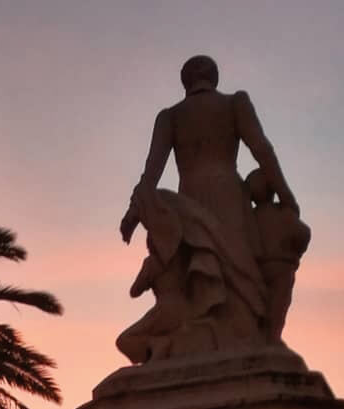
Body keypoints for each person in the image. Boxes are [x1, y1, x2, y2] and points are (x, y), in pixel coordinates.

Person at [117, 56, 303, 358]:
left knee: (200, 272)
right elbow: (262, 149)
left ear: (185, 81)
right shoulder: (234, 103)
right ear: (214, 77)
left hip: (189, 201)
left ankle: (208, 338)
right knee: (239, 272)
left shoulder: (170, 117)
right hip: (228, 196)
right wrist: (286, 195)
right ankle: (234, 338)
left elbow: (151, 172)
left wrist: (133, 213)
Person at [247, 168, 311, 344]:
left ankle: (264, 336)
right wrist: (295, 251)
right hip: (282, 267)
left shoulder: (250, 217)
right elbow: (303, 234)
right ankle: (272, 337)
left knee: (260, 302)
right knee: (278, 304)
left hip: (258, 267)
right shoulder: (283, 213)